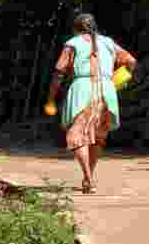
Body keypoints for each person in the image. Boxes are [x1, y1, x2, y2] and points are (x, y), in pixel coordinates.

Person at [44, 13, 137, 193]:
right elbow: (131, 61)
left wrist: (50, 98)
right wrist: (120, 79)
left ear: (76, 29)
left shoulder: (73, 43)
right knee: (98, 137)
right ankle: (89, 179)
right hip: (107, 90)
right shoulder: (109, 43)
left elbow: (59, 72)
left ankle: (88, 177)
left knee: (77, 136)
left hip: (82, 89)